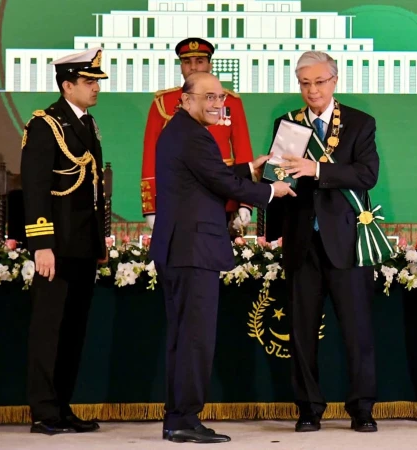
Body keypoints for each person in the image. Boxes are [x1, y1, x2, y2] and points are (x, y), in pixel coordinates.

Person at [149, 72, 295, 444]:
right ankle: (184, 419)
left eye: (220, 97)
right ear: (186, 100)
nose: (217, 104)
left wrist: (249, 169)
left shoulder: (182, 132)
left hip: (181, 248)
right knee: (194, 339)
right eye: (209, 97)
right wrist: (271, 191)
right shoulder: (193, 135)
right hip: (192, 249)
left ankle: (178, 417)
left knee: (184, 337)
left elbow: (207, 175)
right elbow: (221, 183)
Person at [265, 51, 380, 433]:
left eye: (319, 82)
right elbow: (276, 178)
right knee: (301, 331)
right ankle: (308, 408)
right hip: (301, 242)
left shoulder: (359, 123)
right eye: (305, 84)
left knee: (357, 330)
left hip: (346, 241)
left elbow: (367, 174)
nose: (312, 90)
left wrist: (316, 168)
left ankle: (362, 408)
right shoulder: (288, 123)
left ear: (334, 81)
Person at [20, 47, 108, 435]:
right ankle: (43, 410)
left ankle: (62, 405)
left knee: (73, 330)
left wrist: (98, 243)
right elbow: (36, 187)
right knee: (49, 329)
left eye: (96, 82)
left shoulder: (86, 123)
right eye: (88, 82)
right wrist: (42, 245)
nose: (95, 88)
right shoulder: (46, 124)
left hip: (82, 245)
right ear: (67, 85)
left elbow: (93, 191)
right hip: (55, 246)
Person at [141, 37, 254, 233]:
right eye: (187, 62)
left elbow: (243, 153)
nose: (193, 67)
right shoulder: (163, 102)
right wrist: (151, 207)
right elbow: (151, 154)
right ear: (180, 66)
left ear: (210, 65)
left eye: (200, 61)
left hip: (222, 194)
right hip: (177, 196)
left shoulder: (231, 102)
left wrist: (245, 203)